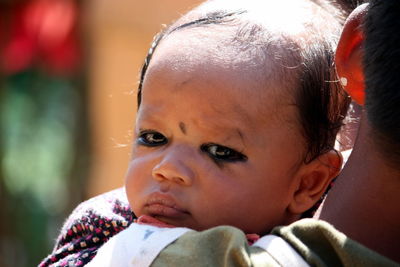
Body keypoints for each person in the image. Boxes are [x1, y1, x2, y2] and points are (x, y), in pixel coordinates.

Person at [39, 0, 353, 266]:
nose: (168, 169)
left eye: (220, 151)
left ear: (307, 184)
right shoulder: (106, 226)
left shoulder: (328, 241)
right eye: (153, 138)